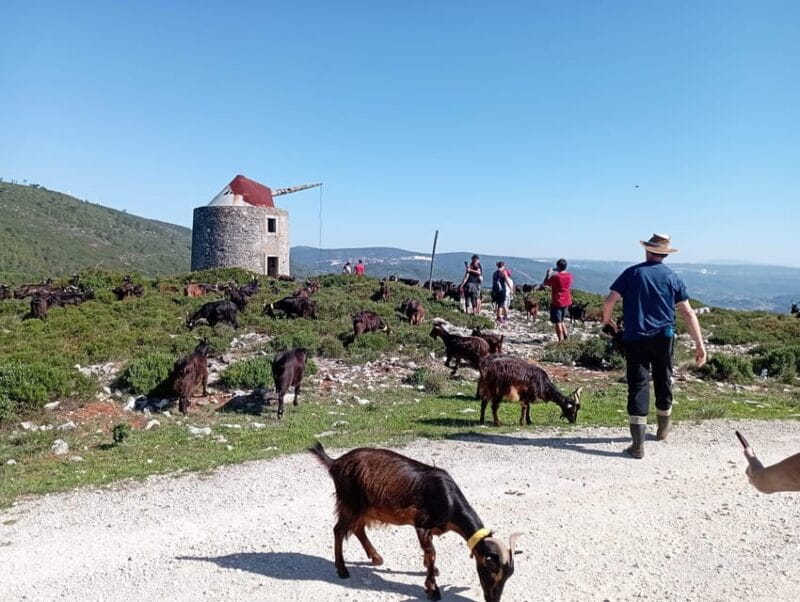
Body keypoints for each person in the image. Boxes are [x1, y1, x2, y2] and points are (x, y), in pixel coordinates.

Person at [602, 233, 707, 459]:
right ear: (665, 254)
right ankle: (662, 429)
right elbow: (687, 312)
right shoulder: (672, 277)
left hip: (635, 337)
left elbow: (609, 300)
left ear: (647, 250)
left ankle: (638, 445)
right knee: (663, 378)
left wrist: (607, 320)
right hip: (664, 336)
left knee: (638, 385)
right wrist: (700, 344)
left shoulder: (632, 273)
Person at [542, 258, 572, 342]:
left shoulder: (556, 277)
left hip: (558, 300)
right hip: (567, 300)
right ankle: (566, 336)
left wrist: (548, 274)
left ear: (558, 266)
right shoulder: (569, 275)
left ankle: (560, 340)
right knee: (561, 320)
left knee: (557, 321)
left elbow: (545, 283)